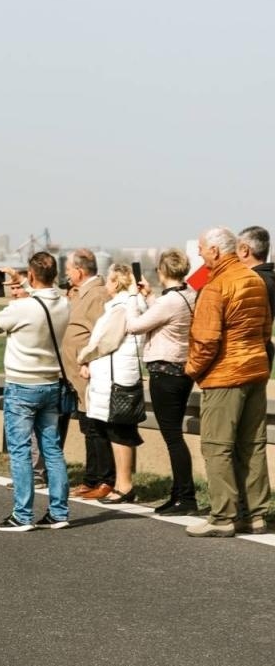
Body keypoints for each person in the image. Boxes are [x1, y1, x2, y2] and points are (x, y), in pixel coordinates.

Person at [184, 226, 271, 538]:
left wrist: (193, 370)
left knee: (217, 446)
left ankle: (223, 516)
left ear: (216, 251)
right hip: (255, 370)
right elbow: (264, 331)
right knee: (252, 445)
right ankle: (257, 515)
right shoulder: (254, 280)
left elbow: (205, 340)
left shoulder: (215, 286)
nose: (200, 253)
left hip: (224, 375)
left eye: (203, 249)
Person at [0, 251, 71, 530]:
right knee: (52, 450)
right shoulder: (64, 304)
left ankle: (22, 514)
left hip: (22, 384)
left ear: (31, 275)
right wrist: (25, 282)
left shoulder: (22, 307)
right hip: (51, 383)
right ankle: (58, 512)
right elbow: (44, 297)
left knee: (20, 450)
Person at [126, 248, 198, 516]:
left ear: (161, 271)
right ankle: (179, 494)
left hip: (165, 374)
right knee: (174, 435)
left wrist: (133, 296)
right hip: (182, 372)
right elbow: (168, 312)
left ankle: (186, 497)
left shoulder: (170, 301)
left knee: (172, 437)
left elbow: (134, 325)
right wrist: (150, 296)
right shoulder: (188, 294)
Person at [76, 265, 147, 504]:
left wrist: (83, 356)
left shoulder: (120, 307)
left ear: (116, 283)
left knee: (118, 432)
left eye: (108, 280)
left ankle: (124, 485)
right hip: (119, 374)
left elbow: (105, 341)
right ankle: (121, 483)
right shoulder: (134, 304)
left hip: (114, 377)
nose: (106, 285)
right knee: (117, 430)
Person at [62, 249, 115, 500]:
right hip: (77, 374)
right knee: (87, 425)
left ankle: (103, 479)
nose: (66, 273)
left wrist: (90, 363)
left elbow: (101, 334)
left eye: (69, 269)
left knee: (95, 427)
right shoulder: (81, 293)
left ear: (79, 271)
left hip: (89, 373)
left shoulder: (96, 295)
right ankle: (91, 477)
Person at [235, 225, 274, 363]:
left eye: (236, 249)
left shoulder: (250, 281)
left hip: (246, 356)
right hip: (264, 353)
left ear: (245, 250)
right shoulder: (270, 278)